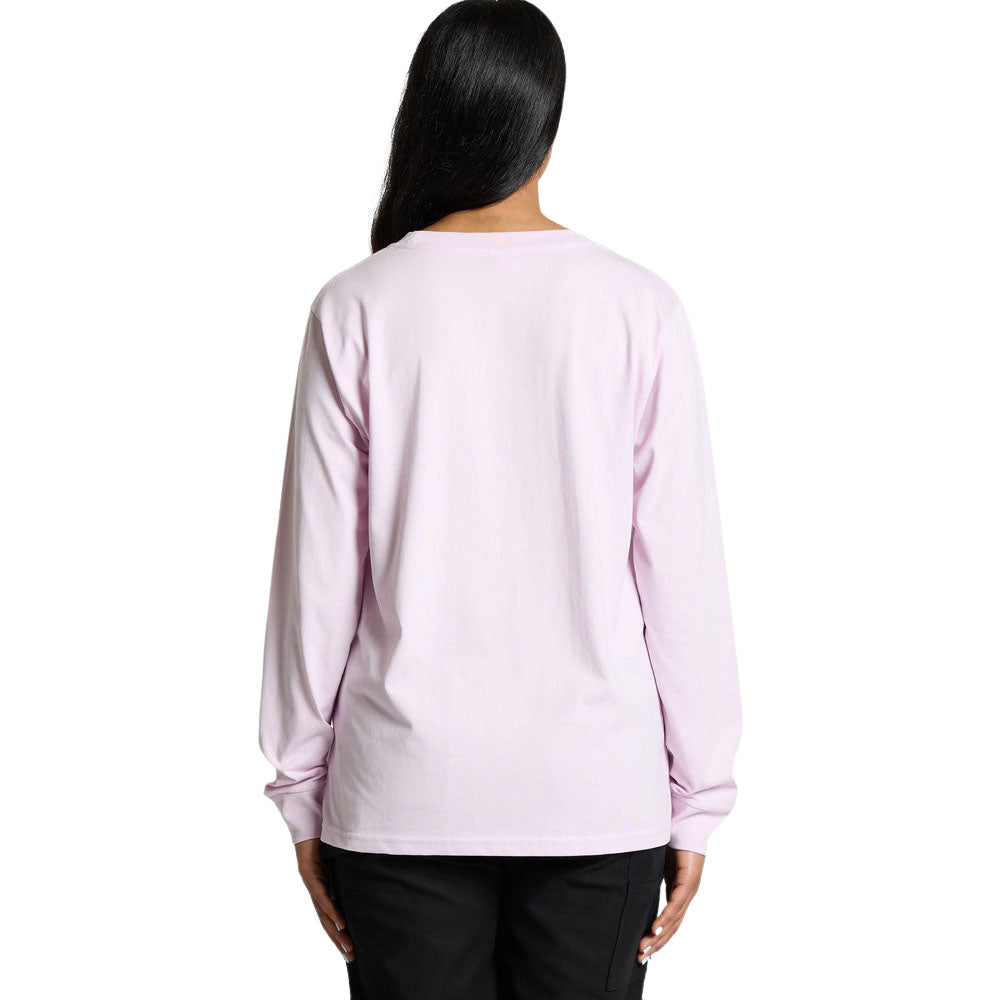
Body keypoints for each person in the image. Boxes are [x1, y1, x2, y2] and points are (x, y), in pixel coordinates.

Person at [257, 2, 741, 997]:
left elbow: (317, 582)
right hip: (595, 795)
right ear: (547, 124)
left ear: (427, 117)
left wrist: (301, 790)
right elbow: (680, 578)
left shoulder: (358, 306)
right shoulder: (637, 307)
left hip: (400, 796)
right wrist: (698, 798)